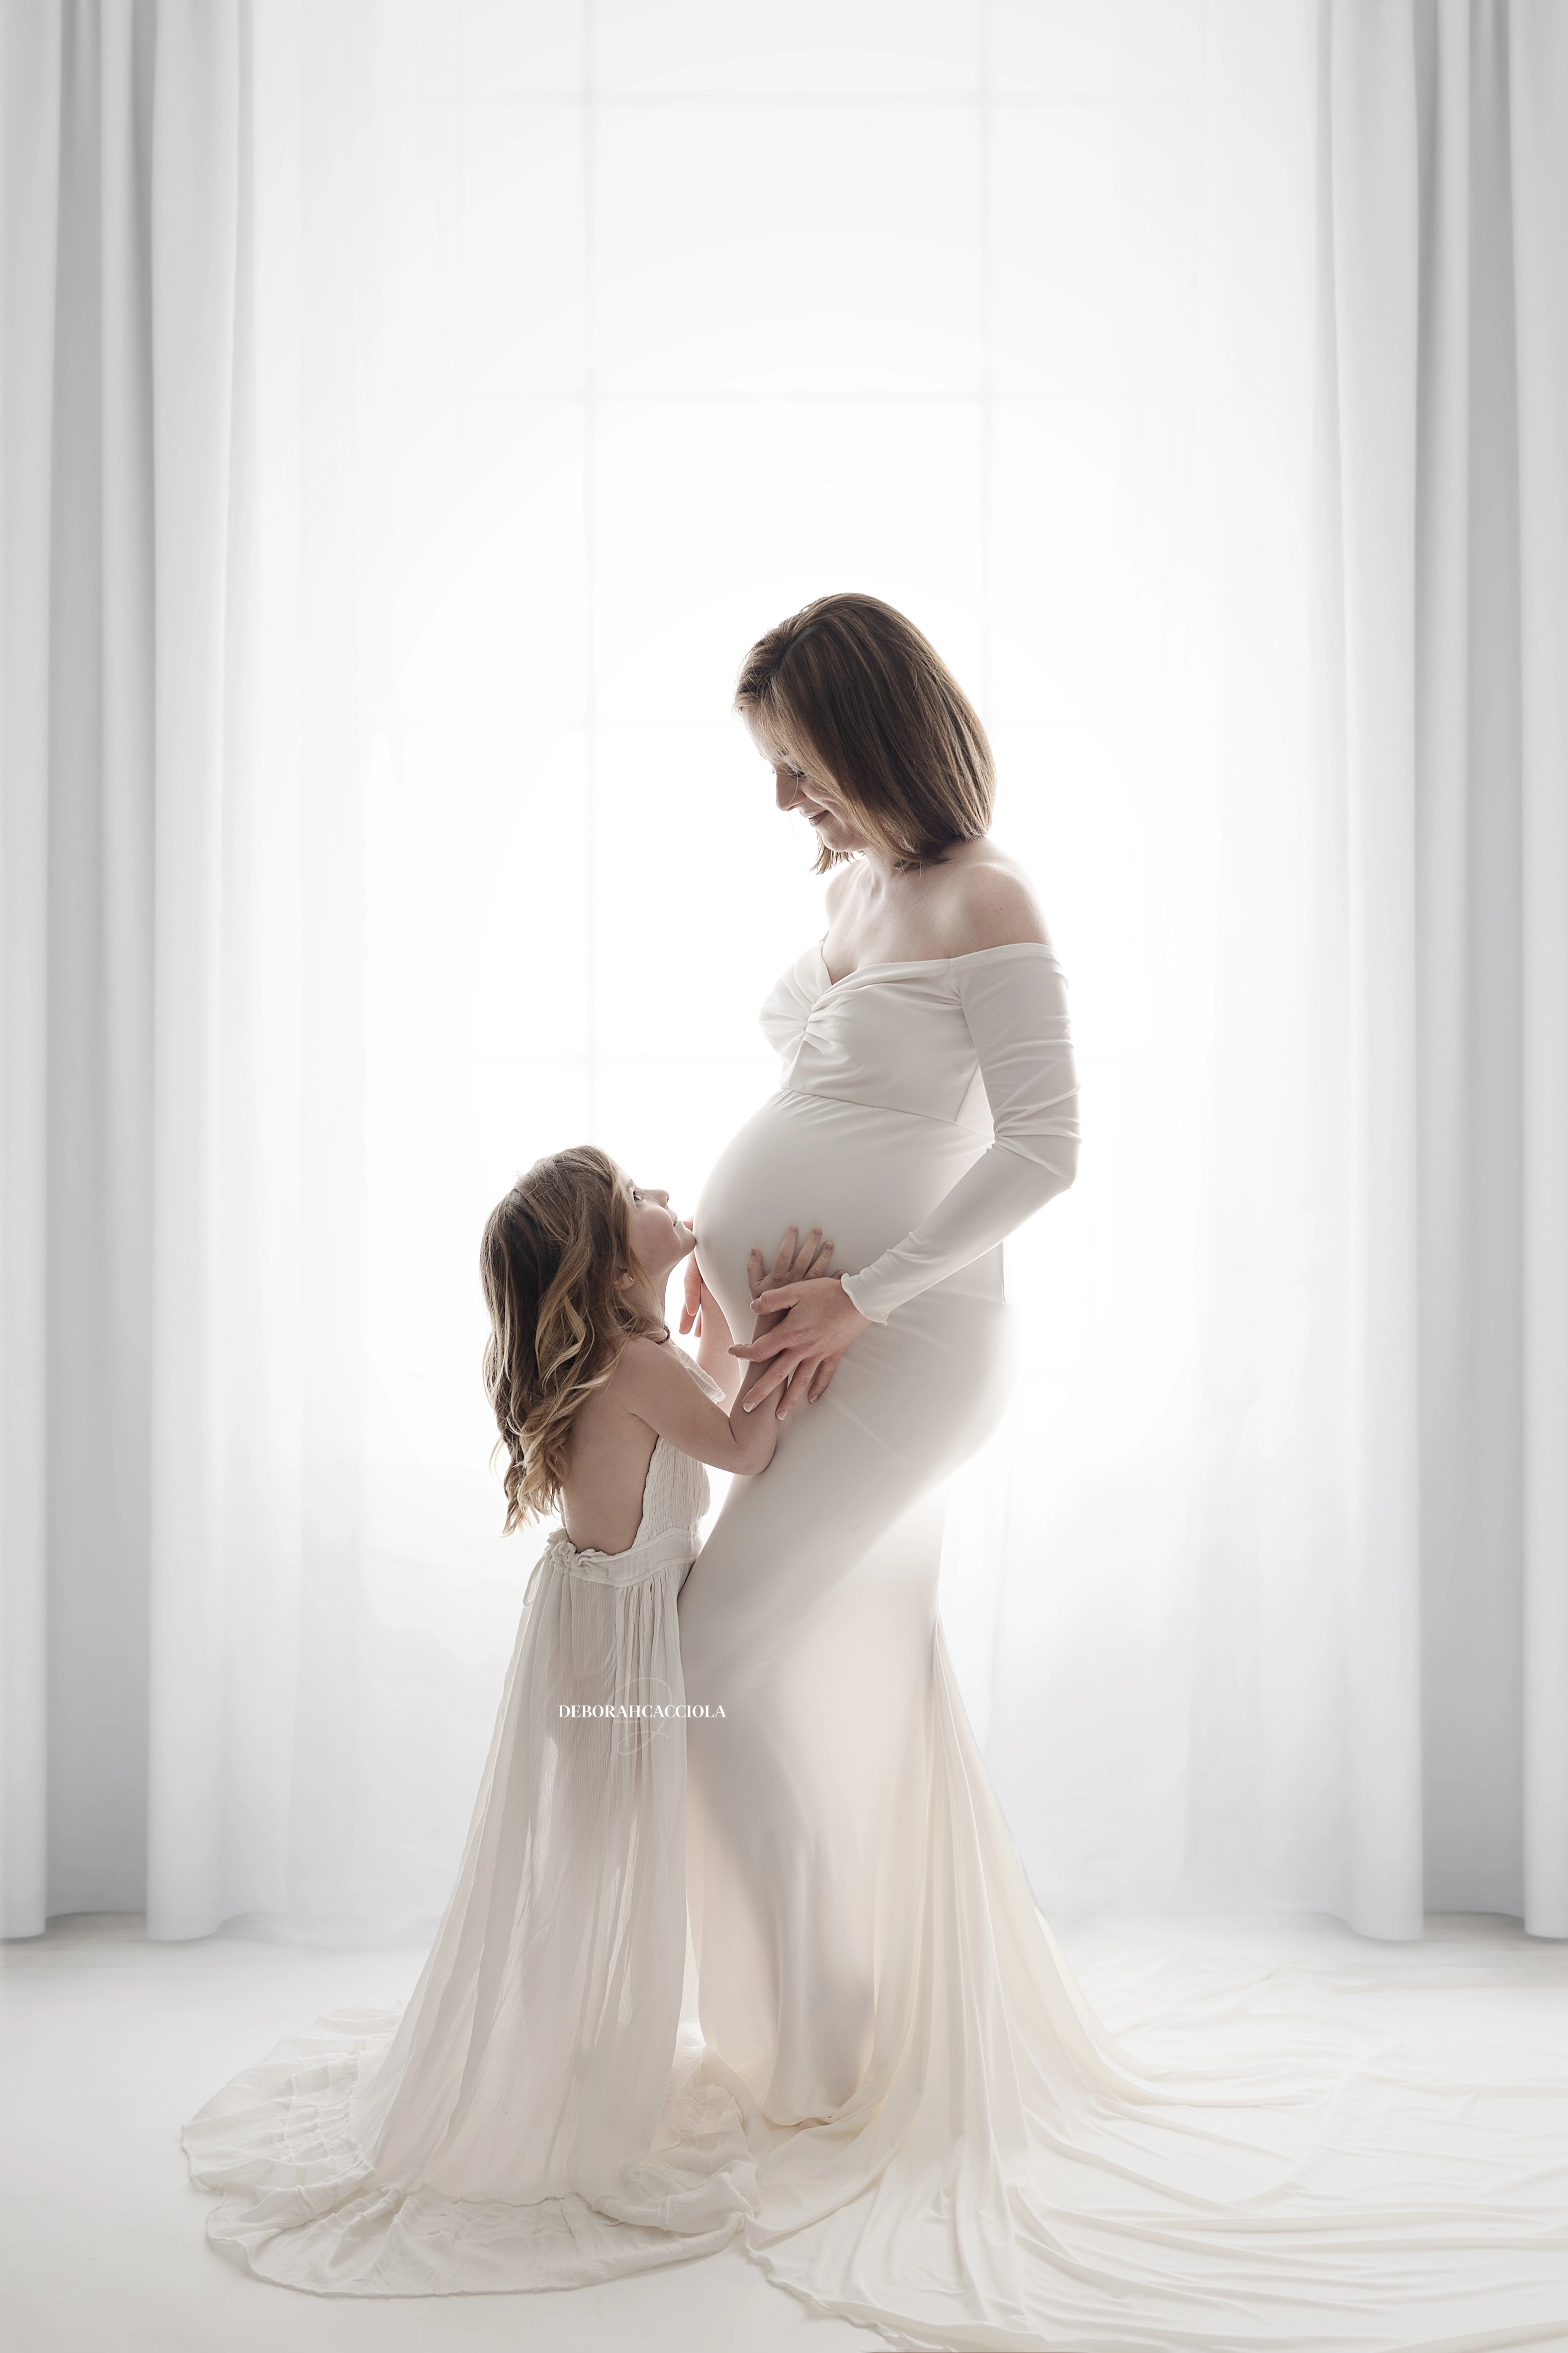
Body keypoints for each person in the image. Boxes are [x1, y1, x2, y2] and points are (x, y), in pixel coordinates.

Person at [181, 1149, 835, 2291]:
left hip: (587, 1625)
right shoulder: (637, 1364)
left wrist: (726, 1327)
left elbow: (706, 1410)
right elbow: (736, 1447)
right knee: (609, 1851)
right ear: (600, 1256)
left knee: (588, 1849)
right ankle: (578, 2065)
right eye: (632, 1193)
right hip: (617, 1642)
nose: (658, 1192)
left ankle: (570, 2040)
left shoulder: (635, 1358)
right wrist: (785, 1344)